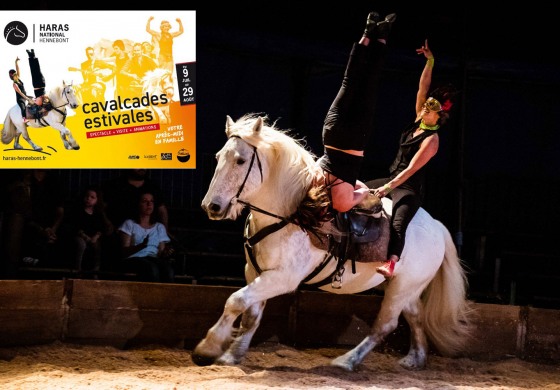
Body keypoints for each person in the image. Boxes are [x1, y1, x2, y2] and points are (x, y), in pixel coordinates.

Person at [366, 40, 458, 279]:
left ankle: (392, 263)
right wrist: (430, 61)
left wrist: (387, 188)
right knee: (360, 189)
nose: (425, 109)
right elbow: (422, 87)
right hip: (391, 177)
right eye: (425, 106)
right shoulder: (418, 119)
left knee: (399, 222)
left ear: (439, 115)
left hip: (408, 188)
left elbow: (411, 169)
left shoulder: (432, 140)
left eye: (430, 108)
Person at [317, 11, 396, 214]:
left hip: (354, 141)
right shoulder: (315, 180)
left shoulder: (341, 203)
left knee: (369, 85)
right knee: (349, 81)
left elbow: (363, 190)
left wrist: (357, 189)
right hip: (332, 136)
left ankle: (382, 36)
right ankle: (368, 33)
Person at [118, 190, 175, 282]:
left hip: (152, 258)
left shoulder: (159, 227)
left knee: (168, 270)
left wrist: (166, 252)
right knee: (151, 268)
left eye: (151, 201)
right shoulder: (129, 224)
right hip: (134, 259)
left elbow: (160, 252)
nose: (149, 204)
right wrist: (141, 246)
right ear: (138, 204)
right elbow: (124, 252)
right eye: (145, 201)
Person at [67, 185, 113, 277]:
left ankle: (95, 271)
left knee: (98, 246)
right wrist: (85, 237)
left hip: (93, 237)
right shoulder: (78, 211)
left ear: (97, 200)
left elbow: (100, 228)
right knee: (81, 244)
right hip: (80, 236)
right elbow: (75, 226)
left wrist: (96, 237)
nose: (88, 199)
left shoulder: (97, 214)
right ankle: (77, 270)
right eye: (87, 196)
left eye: (92, 197)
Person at [9, 57, 33, 123]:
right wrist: (27, 98)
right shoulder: (14, 84)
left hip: (25, 95)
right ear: (13, 77)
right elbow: (20, 93)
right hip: (20, 98)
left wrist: (16, 62)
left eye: (16, 74)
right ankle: (24, 118)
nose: (16, 74)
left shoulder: (18, 79)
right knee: (23, 107)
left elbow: (18, 69)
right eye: (15, 74)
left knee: (33, 99)